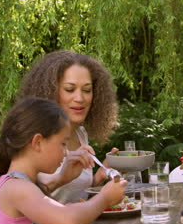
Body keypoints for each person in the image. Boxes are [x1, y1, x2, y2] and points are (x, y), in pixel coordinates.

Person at [0, 97, 127, 224]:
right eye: (63, 144)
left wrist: (65, 181)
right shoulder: (16, 187)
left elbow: (61, 214)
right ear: (37, 142)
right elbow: (68, 221)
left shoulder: (20, 184)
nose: (66, 153)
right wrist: (105, 198)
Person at [17, 50, 118, 203]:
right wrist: (59, 179)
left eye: (87, 90)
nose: (80, 98)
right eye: (70, 89)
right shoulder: (33, 138)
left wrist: (98, 179)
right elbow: (20, 198)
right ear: (50, 91)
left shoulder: (80, 133)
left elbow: (76, 197)